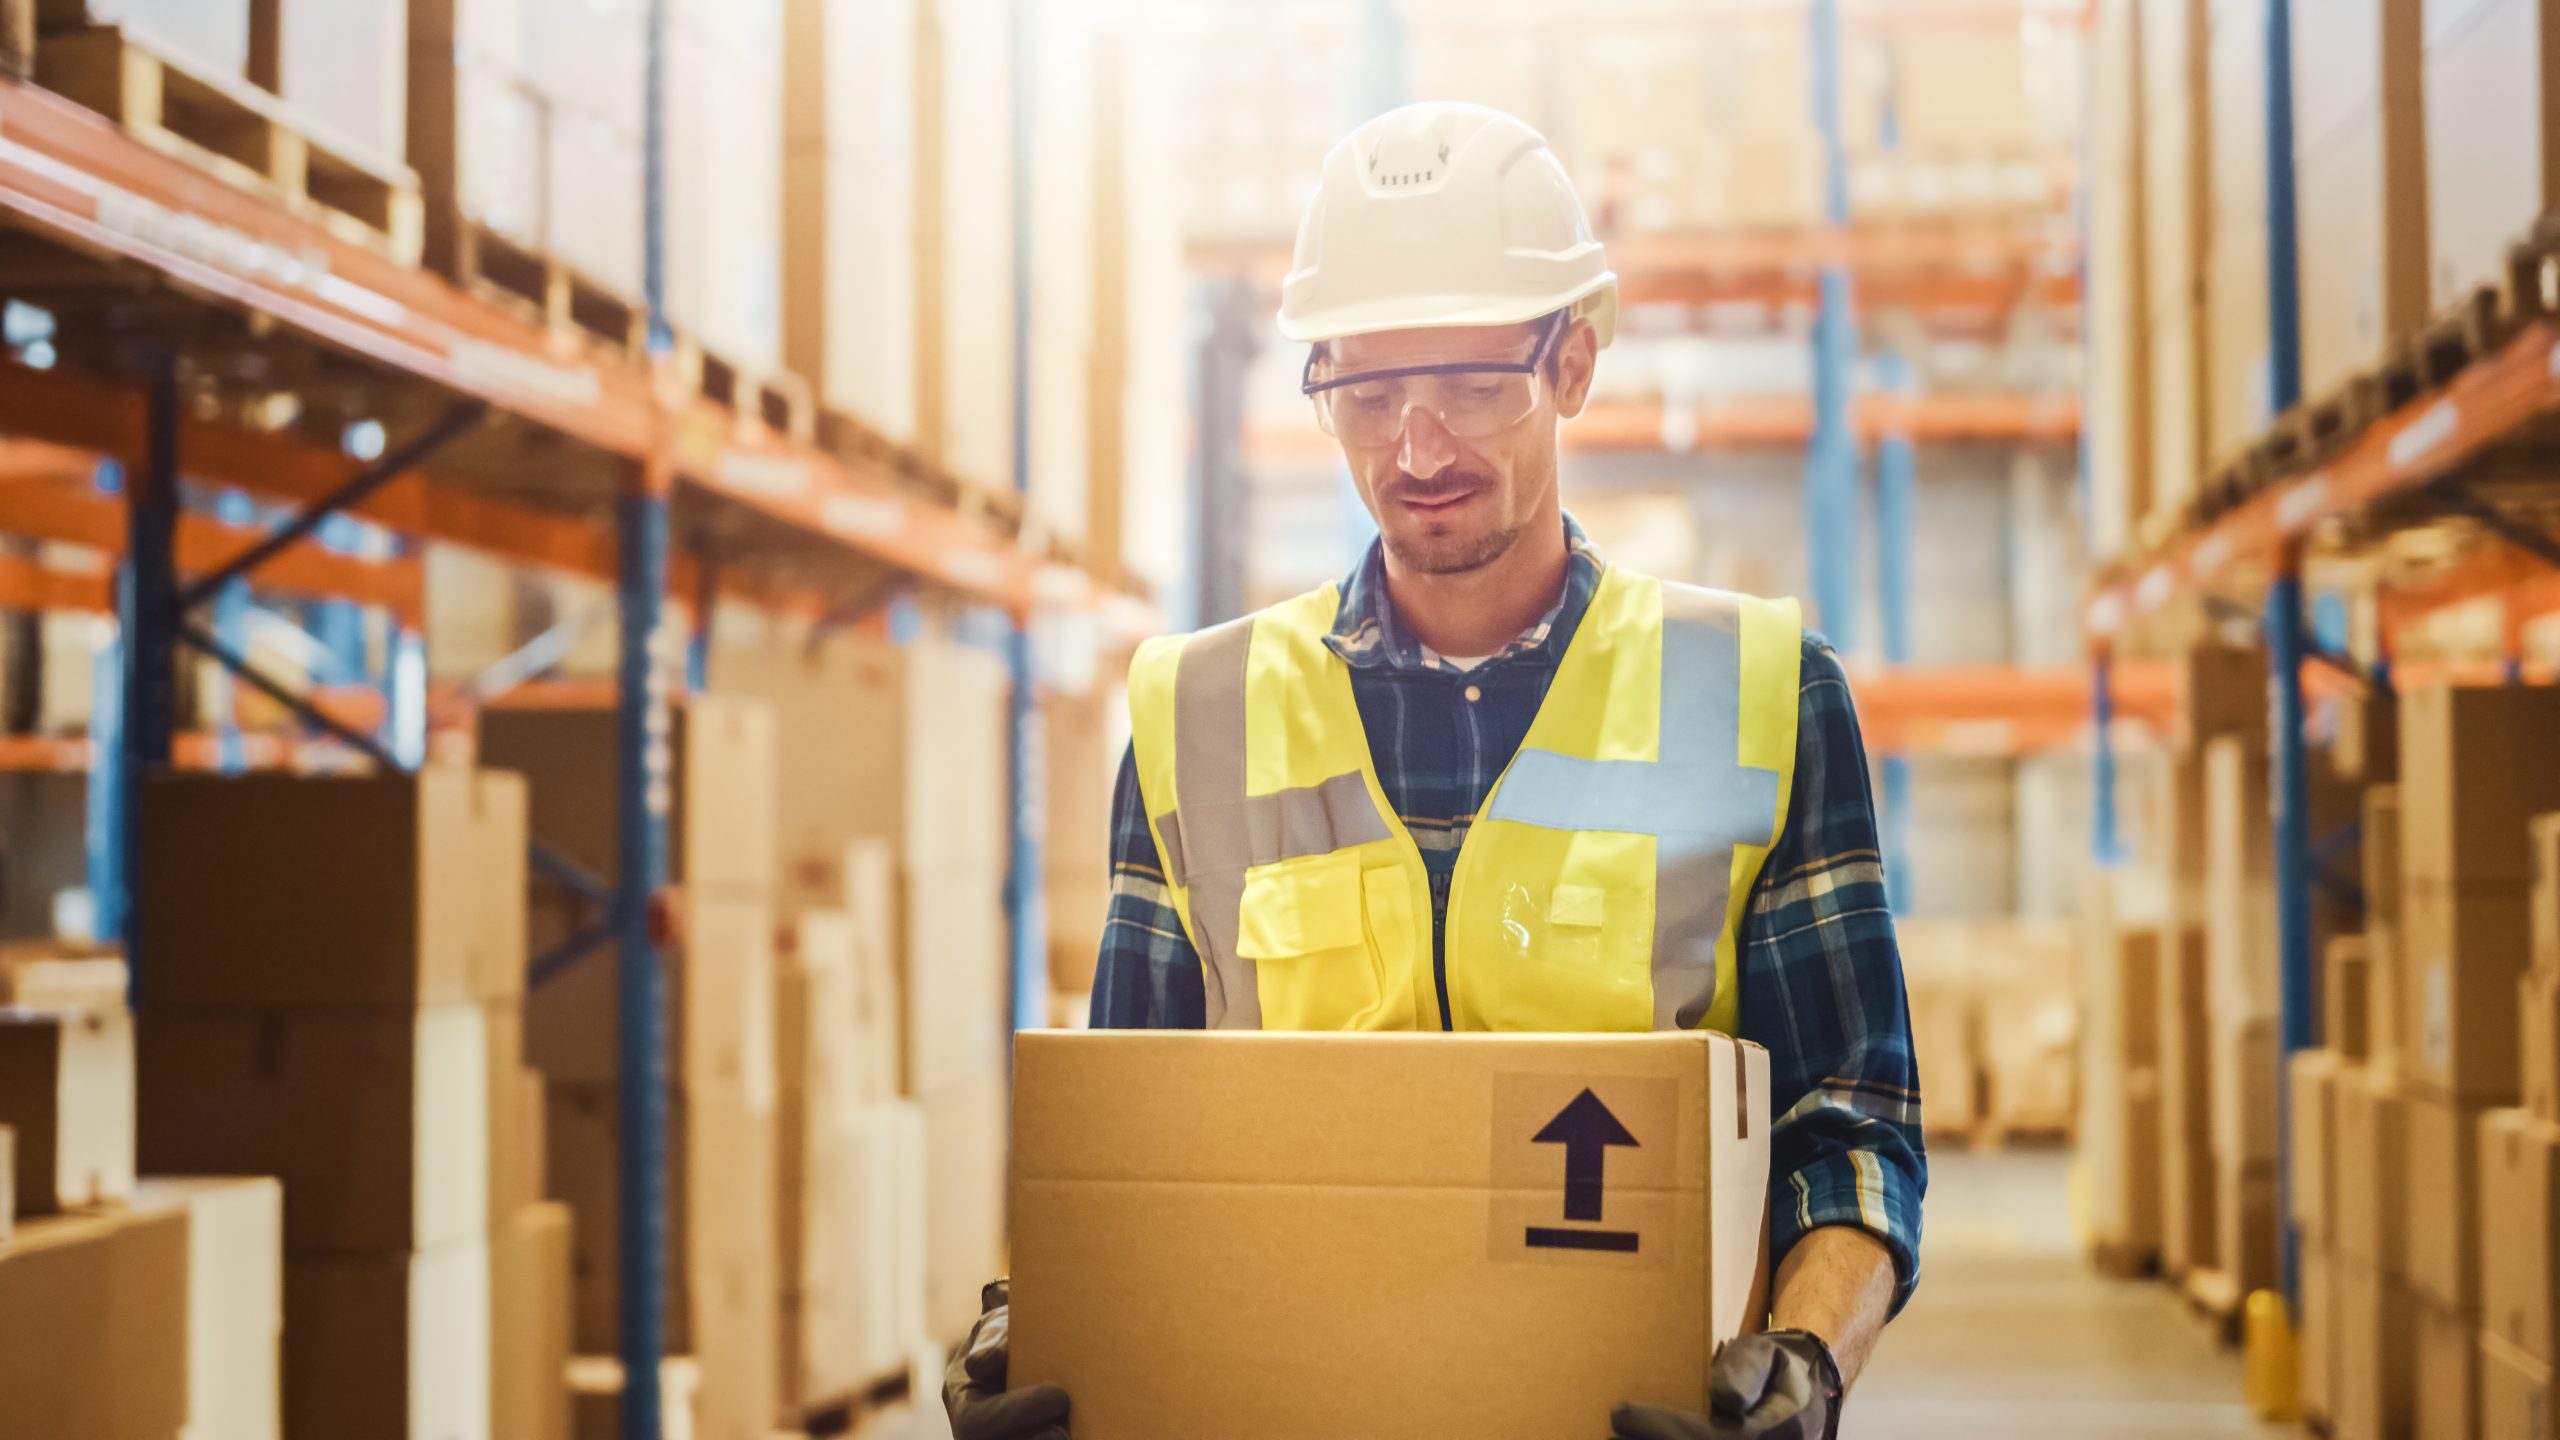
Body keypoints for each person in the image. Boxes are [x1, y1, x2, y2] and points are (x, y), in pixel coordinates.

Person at [948, 101, 1924, 1440]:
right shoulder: (1198, 716)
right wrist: (1036, 1321)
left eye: (1469, 385)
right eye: (1365, 390)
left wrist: (1804, 1370)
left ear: (1572, 364)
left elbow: (1853, 1129)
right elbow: (1129, 1154)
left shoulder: (1759, 695)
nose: (1416, 450)